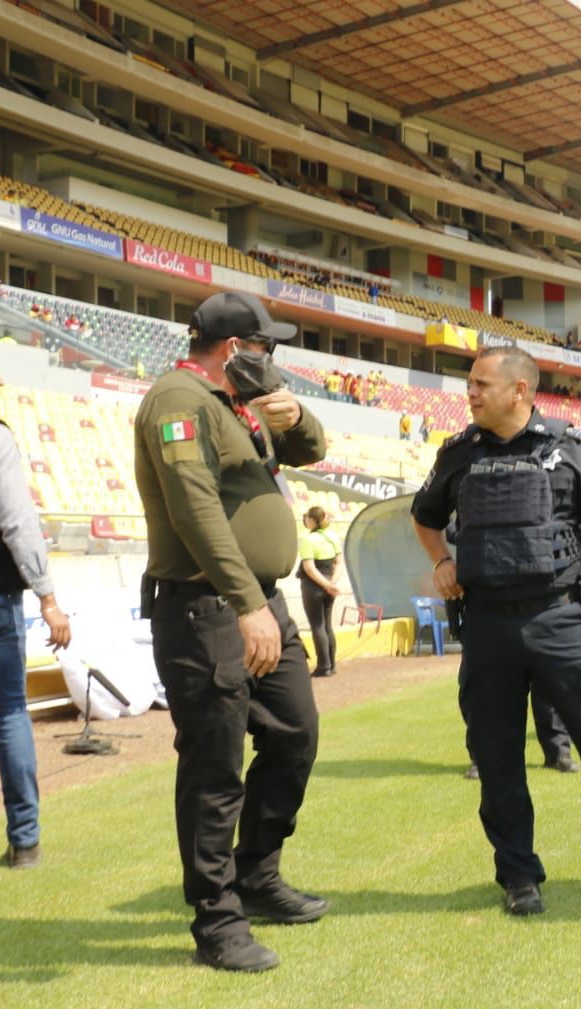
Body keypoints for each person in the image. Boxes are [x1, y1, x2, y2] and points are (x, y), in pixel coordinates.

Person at [411, 345, 581, 915]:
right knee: (497, 757)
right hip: (487, 624)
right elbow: (425, 516)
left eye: (481, 383)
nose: (470, 392)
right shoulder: (458, 454)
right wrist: (441, 560)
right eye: (470, 383)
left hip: (561, 620)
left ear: (520, 390)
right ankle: (518, 877)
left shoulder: (574, 448)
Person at [134, 292, 330, 973]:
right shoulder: (178, 399)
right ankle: (216, 920)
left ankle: (257, 875)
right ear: (232, 348)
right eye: (263, 346)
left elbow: (312, 451)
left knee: (295, 733)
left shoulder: (239, 402)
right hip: (208, 607)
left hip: (258, 601)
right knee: (215, 767)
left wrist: (295, 415)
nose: (271, 357)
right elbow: (193, 507)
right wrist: (246, 603)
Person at [0, 338, 71, 868]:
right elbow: (17, 523)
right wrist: (48, 598)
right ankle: (24, 841)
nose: (0, 380)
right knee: (9, 710)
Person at [297, 506, 342, 678]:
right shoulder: (332, 536)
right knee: (327, 625)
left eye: (307, 517)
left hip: (313, 587)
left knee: (317, 626)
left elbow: (309, 568)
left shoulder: (308, 540)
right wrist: (332, 583)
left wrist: (325, 585)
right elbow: (338, 562)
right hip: (329, 584)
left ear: (312, 520)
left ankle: (323, 667)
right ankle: (332, 664)